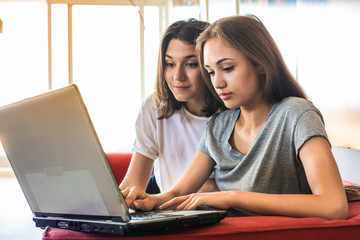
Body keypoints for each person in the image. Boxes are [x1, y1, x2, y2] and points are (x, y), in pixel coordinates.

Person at [122, 15, 349, 220]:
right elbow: (177, 193)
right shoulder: (218, 126)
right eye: (211, 72)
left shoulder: (297, 114)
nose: (217, 83)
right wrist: (153, 200)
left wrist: (232, 197)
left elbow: (333, 206)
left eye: (228, 68)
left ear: (260, 64)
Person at [120, 19, 225, 194]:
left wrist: (213, 187)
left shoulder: (232, 114)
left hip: (222, 214)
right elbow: (133, 184)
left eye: (190, 64)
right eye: (170, 64)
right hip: (169, 211)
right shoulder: (154, 107)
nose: (178, 76)